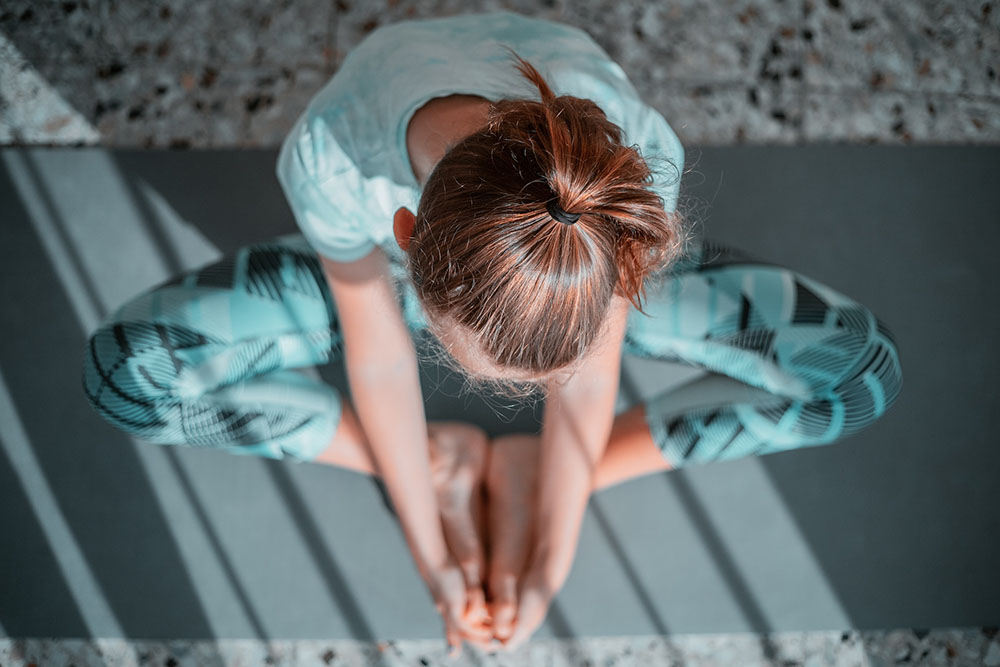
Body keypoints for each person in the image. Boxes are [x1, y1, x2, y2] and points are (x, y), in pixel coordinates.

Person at [81, 10, 903, 657]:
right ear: (402, 231)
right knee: (124, 374)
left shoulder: (625, 170)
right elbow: (381, 355)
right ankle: (435, 459)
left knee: (860, 371)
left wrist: (553, 554)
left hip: (573, 272)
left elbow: (592, 369)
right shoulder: (334, 157)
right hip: (390, 278)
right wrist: (431, 552)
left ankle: (538, 468)